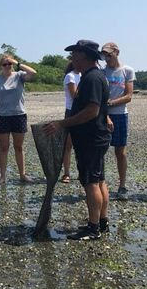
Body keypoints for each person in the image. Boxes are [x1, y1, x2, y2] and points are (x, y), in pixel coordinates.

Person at [44, 40, 112, 240]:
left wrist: (62, 123)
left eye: (75, 54)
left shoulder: (92, 78)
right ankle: (101, 222)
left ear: (85, 56)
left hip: (91, 138)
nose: (72, 58)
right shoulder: (92, 76)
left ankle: (93, 228)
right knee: (99, 179)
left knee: (91, 182)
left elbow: (92, 111)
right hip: (95, 137)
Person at [0, 53, 37, 183]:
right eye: (5, 64)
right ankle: (2, 176)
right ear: (0, 66)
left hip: (19, 115)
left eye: (9, 63)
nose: (7, 66)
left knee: (19, 147)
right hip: (2, 117)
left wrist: (17, 63)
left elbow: (33, 73)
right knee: (4, 147)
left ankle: (22, 175)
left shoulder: (19, 76)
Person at [101, 42, 135, 199]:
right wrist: (105, 110)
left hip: (120, 114)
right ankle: (100, 183)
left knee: (120, 151)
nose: (107, 57)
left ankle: (122, 185)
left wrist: (111, 103)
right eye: (104, 54)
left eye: (109, 54)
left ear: (117, 52)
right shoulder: (101, 72)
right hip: (102, 115)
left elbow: (128, 96)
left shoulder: (127, 70)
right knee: (100, 150)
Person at [61, 61, 81, 183]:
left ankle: (81, 172)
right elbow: (74, 95)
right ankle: (66, 173)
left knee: (81, 144)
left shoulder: (84, 75)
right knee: (68, 144)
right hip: (71, 112)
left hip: (83, 111)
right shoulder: (70, 76)